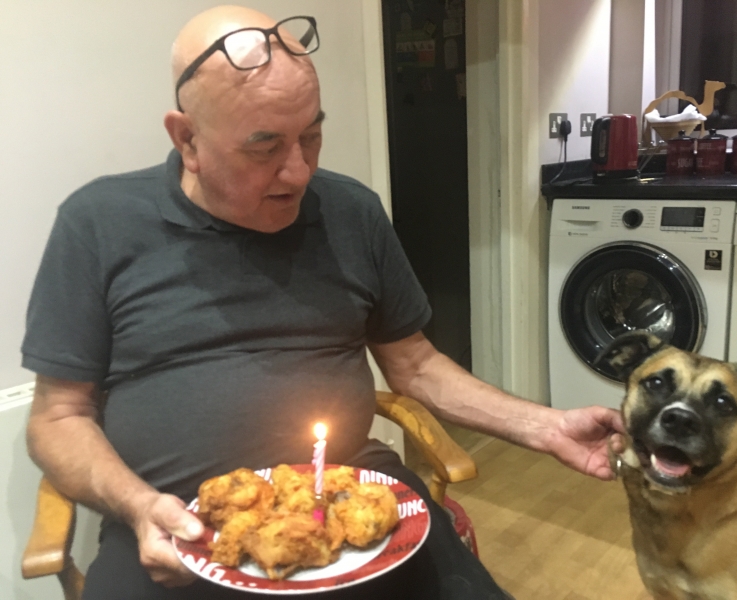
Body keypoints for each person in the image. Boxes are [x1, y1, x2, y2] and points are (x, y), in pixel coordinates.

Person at [22, 6, 624, 600]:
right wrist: (136, 506)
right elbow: (56, 419)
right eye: (264, 148)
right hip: (174, 525)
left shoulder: (351, 213)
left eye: (311, 134)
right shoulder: (99, 224)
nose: (299, 170)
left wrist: (547, 426)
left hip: (349, 499)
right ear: (187, 139)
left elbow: (414, 365)